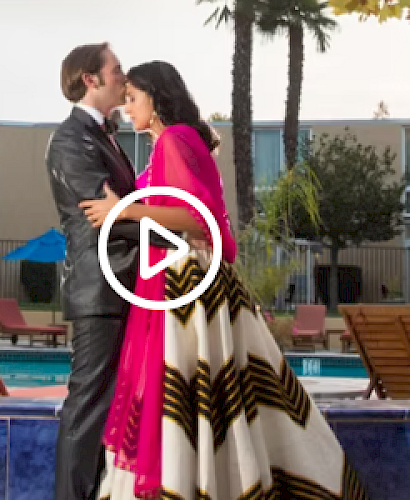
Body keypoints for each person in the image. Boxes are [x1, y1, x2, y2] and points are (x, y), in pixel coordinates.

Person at [79, 61, 370, 500]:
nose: (128, 104)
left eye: (134, 97)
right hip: (191, 280)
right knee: (216, 394)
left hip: (187, 284)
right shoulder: (175, 142)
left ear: (156, 99)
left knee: (193, 391)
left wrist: (125, 210)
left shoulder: (175, 139)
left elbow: (197, 217)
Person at [46, 44, 171, 500]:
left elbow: (126, 209)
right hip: (101, 288)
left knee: (112, 404)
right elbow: (111, 213)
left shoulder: (105, 137)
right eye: (116, 70)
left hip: (121, 286)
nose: (125, 77)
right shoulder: (71, 140)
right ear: (90, 79)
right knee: (89, 404)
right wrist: (179, 237)